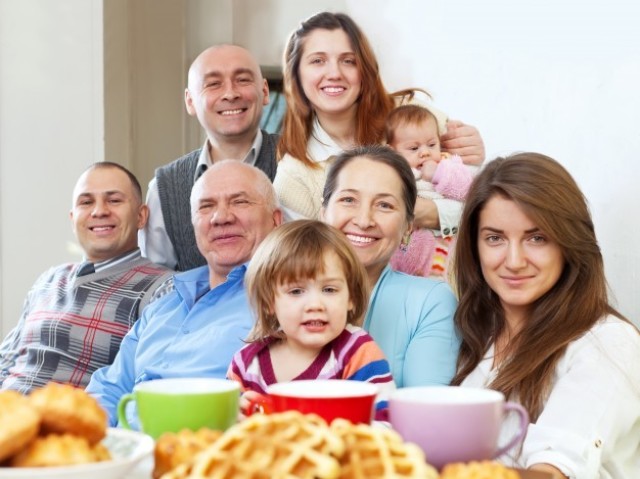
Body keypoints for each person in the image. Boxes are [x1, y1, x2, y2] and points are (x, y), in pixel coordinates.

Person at [450, 153, 640, 478]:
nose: (514, 261)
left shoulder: (607, 343)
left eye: (536, 238)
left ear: (569, 243)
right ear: (474, 246)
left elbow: (552, 472)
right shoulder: (476, 335)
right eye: (495, 238)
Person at [86, 161, 283, 426]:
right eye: (206, 206)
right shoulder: (163, 305)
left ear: (276, 220)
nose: (221, 217)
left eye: (240, 202)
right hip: (121, 455)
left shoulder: (283, 303)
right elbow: (109, 387)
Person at [273, 11, 484, 232]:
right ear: (296, 74)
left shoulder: (413, 114)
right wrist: (411, 211)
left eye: (348, 61)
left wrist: (434, 211)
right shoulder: (292, 177)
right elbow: (310, 259)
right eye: (318, 61)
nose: (334, 73)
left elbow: (482, 204)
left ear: (364, 69)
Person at [0, 162, 172, 393]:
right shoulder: (48, 280)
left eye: (114, 200)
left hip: (71, 423)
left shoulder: (162, 288)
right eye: (86, 202)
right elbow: (5, 362)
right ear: (73, 219)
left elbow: (149, 385)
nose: (99, 211)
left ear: (141, 217)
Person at [321, 145, 459, 388]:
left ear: (408, 226)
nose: (364, 221)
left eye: (384, 205)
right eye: (348, 200)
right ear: (323, 214)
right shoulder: (280, 288)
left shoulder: (430, 302)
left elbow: (425, 411)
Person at [227, 220, 395, 421]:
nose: (315, 304)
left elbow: (386, 423)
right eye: (296, 291)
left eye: (329, 290)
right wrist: (235, 416)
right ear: (268, 302)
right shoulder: (246, 364)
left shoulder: (357, 352)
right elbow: (223, 433)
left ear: (351, 297)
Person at [140, 44, 278, 272]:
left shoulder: (301, 162)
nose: (231, 93)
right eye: (213, 84)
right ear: (190, 101)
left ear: (264, 91)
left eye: (243, 80)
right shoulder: (165, 188)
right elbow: (157, 285)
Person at [386, 103, 475, 279]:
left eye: (432, 144)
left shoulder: (448, 164)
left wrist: (439, 174)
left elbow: (467, 189)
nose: (425, 153)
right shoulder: (392, 172)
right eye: (414, 148)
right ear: (392, 151)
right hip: (402, 253)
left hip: (441, 247)